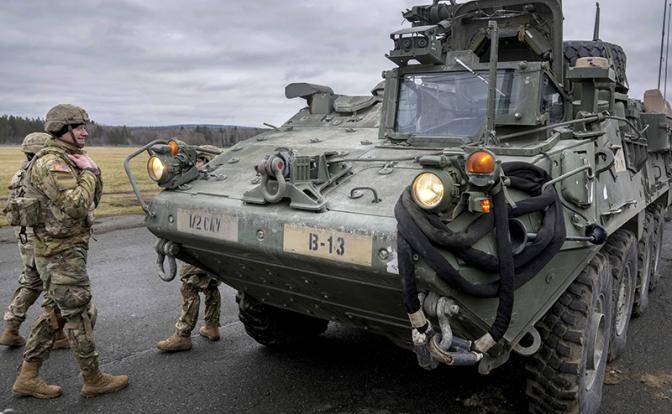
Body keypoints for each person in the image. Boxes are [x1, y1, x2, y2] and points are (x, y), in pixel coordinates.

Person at [11, 104, 128, 399]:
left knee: (55, 311)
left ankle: (28, 376)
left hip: (65, 250)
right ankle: (93, 379)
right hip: (58, 253)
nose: (84, 131)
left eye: (84, 126)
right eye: (78, 126)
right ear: (62, 130)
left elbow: (92, 200)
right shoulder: (52, 162)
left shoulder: (69, 158)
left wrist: (91, 170)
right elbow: (76, 204)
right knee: (81, 312)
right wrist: (89, 172)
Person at [0, 133, 68, 350]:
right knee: (52, 284)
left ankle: (11, 327)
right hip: (39, 237)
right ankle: (56, 334)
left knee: (31, 281)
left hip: (24, 236)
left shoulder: (21, 173)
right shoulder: (42, 173)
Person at [157, 147, 222, 352]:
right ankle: (211, 327)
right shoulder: (220, 184)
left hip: (199, 246)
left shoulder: (201, 184)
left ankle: (182, 335)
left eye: (202, 160)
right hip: (217, 246)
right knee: (211, 285)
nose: (198, 165)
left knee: (189, 286)